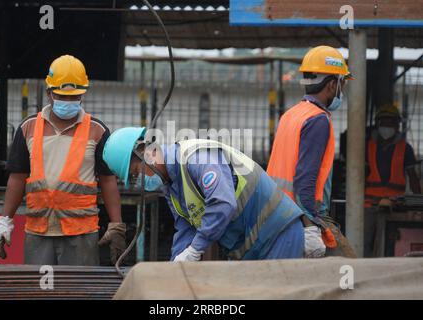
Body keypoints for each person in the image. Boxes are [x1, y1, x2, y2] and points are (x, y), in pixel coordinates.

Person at [102, 127, 330, 261]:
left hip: (277, 232)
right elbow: (186, 228)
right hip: (251, 246)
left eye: (134, 172)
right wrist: (176, 266)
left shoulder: (195, 158)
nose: (137, 181)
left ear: (147, 156)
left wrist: (195, 249)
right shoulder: (171, 186)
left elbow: (223, 204)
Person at [0, 55, 126, 265]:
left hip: (81, 233)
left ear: (82, 95)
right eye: (62, 97)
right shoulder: (28, 128)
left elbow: (107, 180)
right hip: (38, 231)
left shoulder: (97, 130)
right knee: (39, 294)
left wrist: (116, 224)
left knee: (80, 292)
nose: (68, 102)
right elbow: (17, 178)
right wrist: (5, 220)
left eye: (74, 97)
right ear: (49, 93)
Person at [266, 45, 355, 257]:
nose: (342, 91)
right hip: (304, 216)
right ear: (332, 85)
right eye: (342, 84)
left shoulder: (291, 114)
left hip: (278, 211)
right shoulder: (317, 120)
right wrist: (311, 227)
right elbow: (305, 176)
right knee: (350, 266)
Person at [364, 104, 420, 256]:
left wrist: (418, 204)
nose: (387, 127)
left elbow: (413, 178)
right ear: (378, 124)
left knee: (390, 242)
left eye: (391, 123)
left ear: (397, 125)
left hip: (395, 206)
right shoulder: (366, 146)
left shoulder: (405, 148)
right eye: (384, 123)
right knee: (364, 242)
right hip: (369, 204)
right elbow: (359, 175)